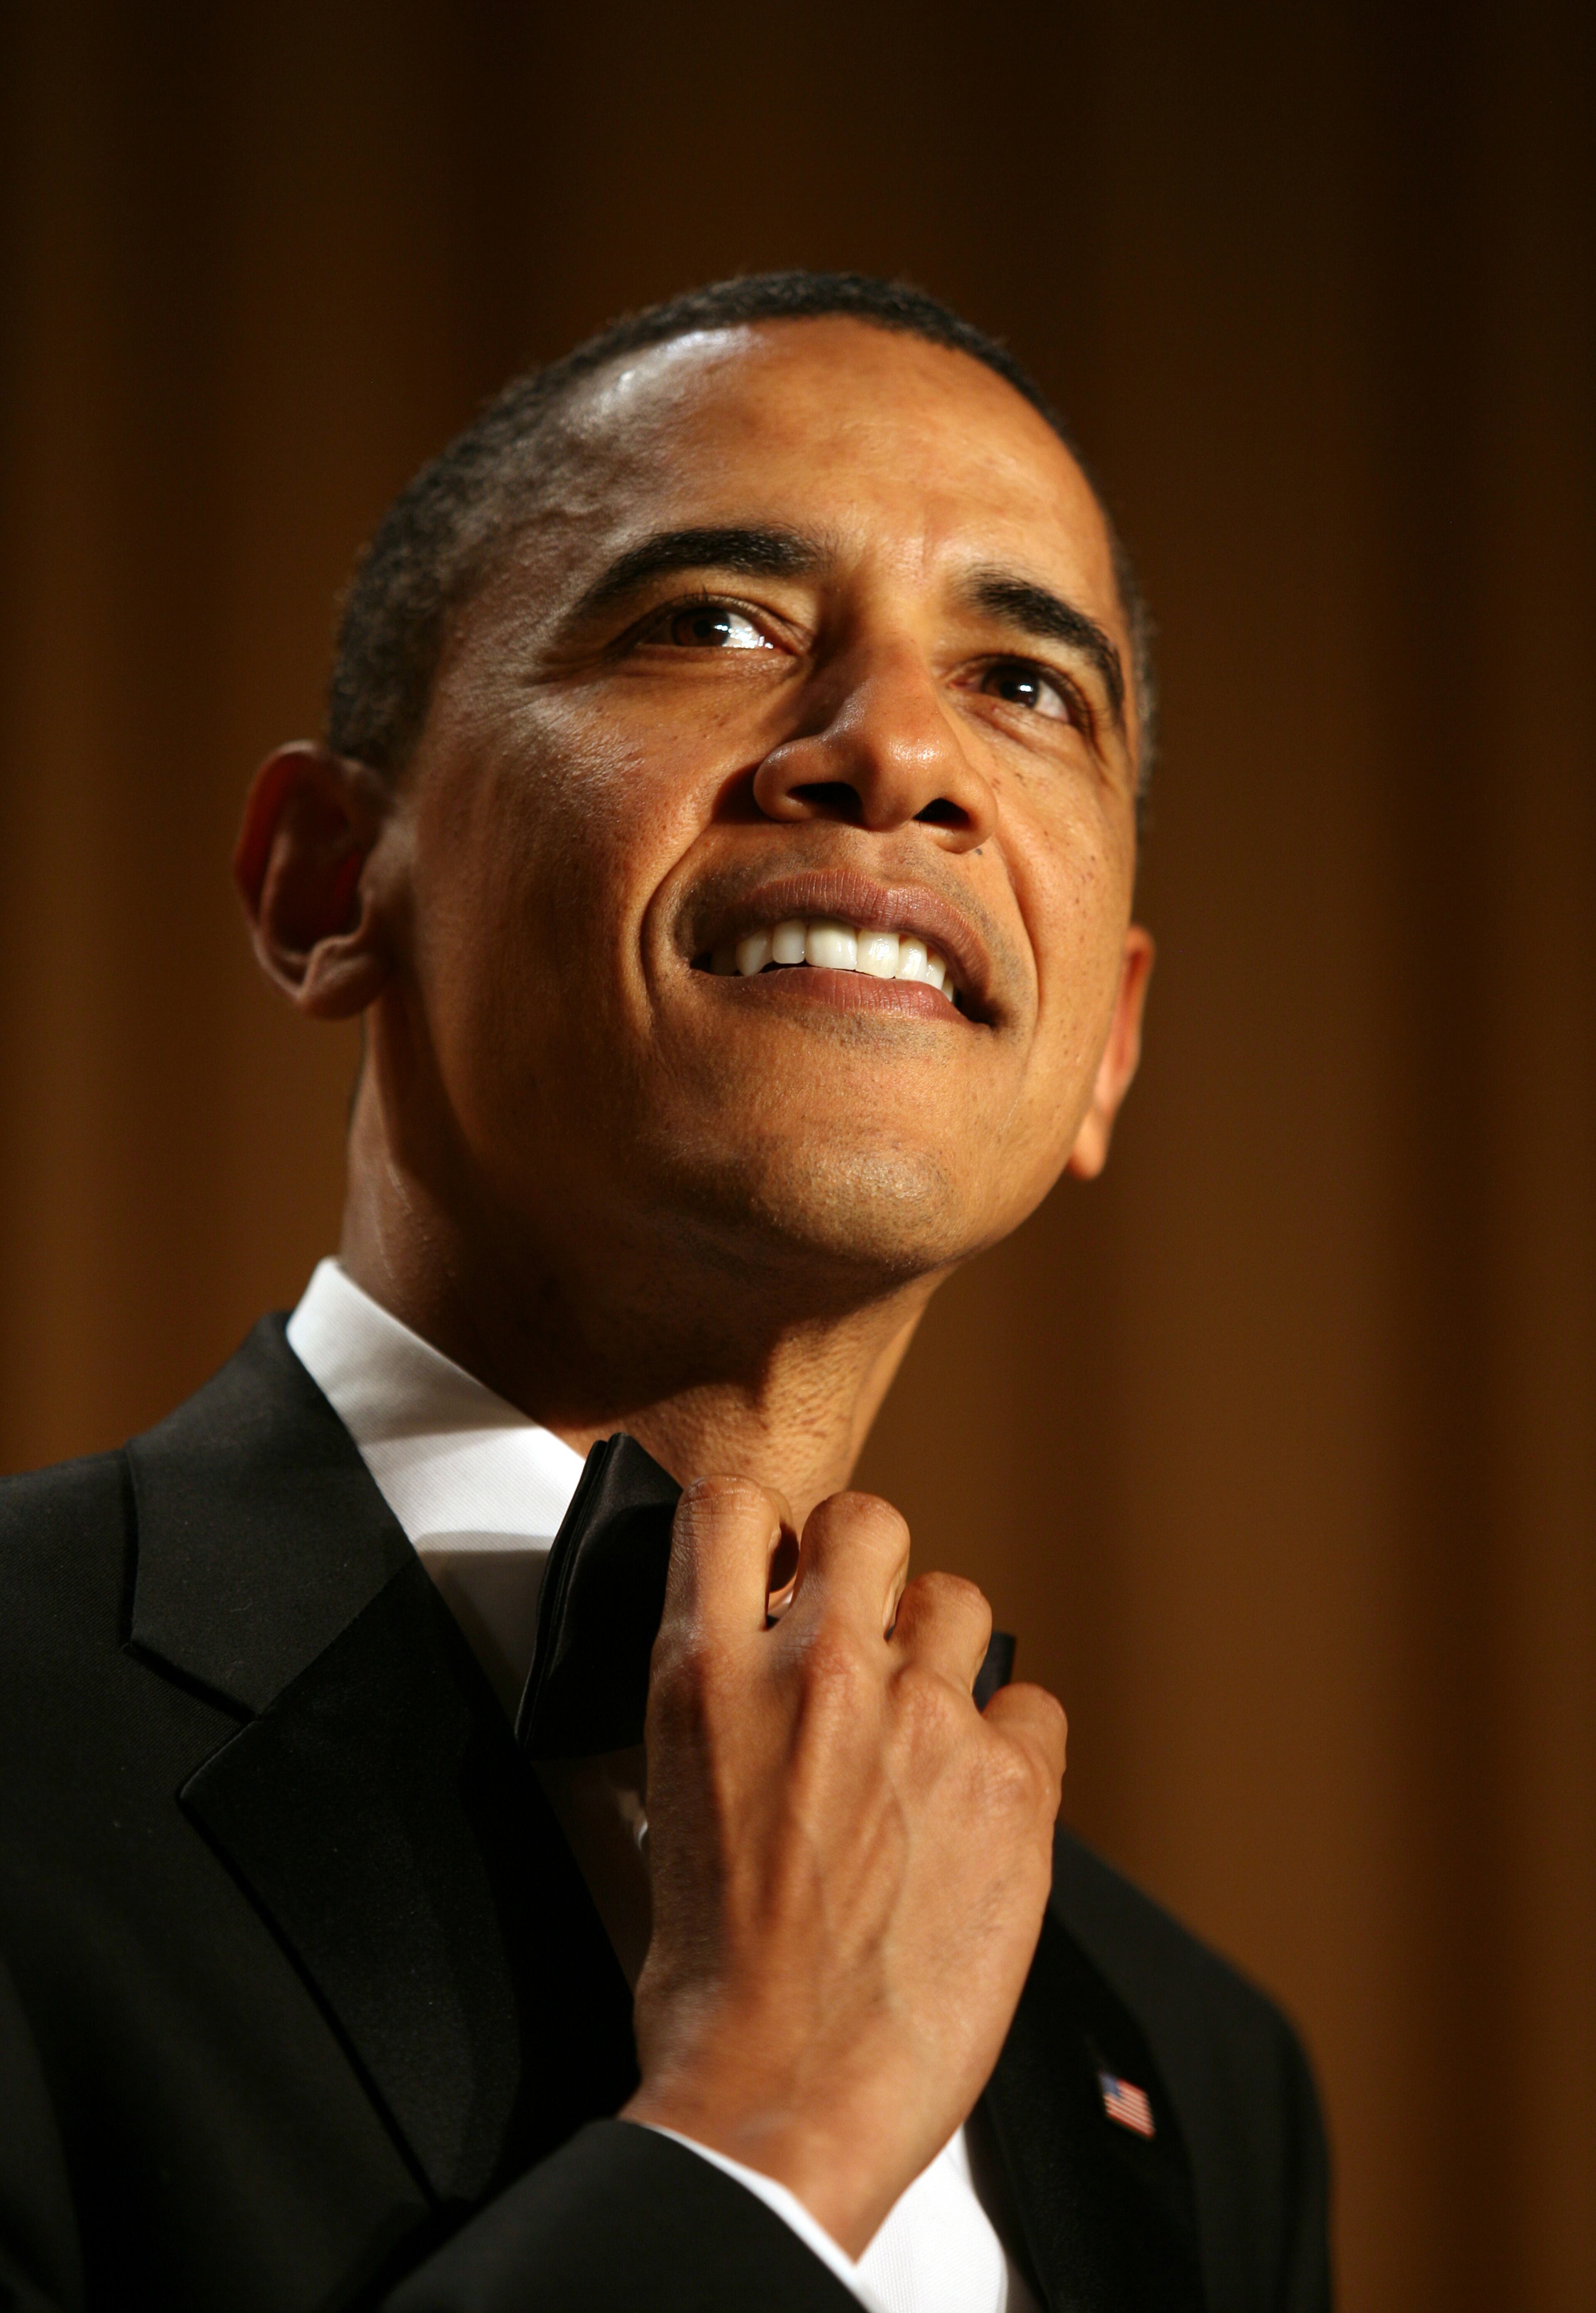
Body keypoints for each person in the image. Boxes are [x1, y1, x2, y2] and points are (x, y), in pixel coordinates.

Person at [0, 273, 1330, 2313]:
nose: (897, 752)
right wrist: (767, 2137)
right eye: (713, 621)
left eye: (1029, 687)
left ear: (1108, 1048)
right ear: (325, 880)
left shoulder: (1201, 2070)